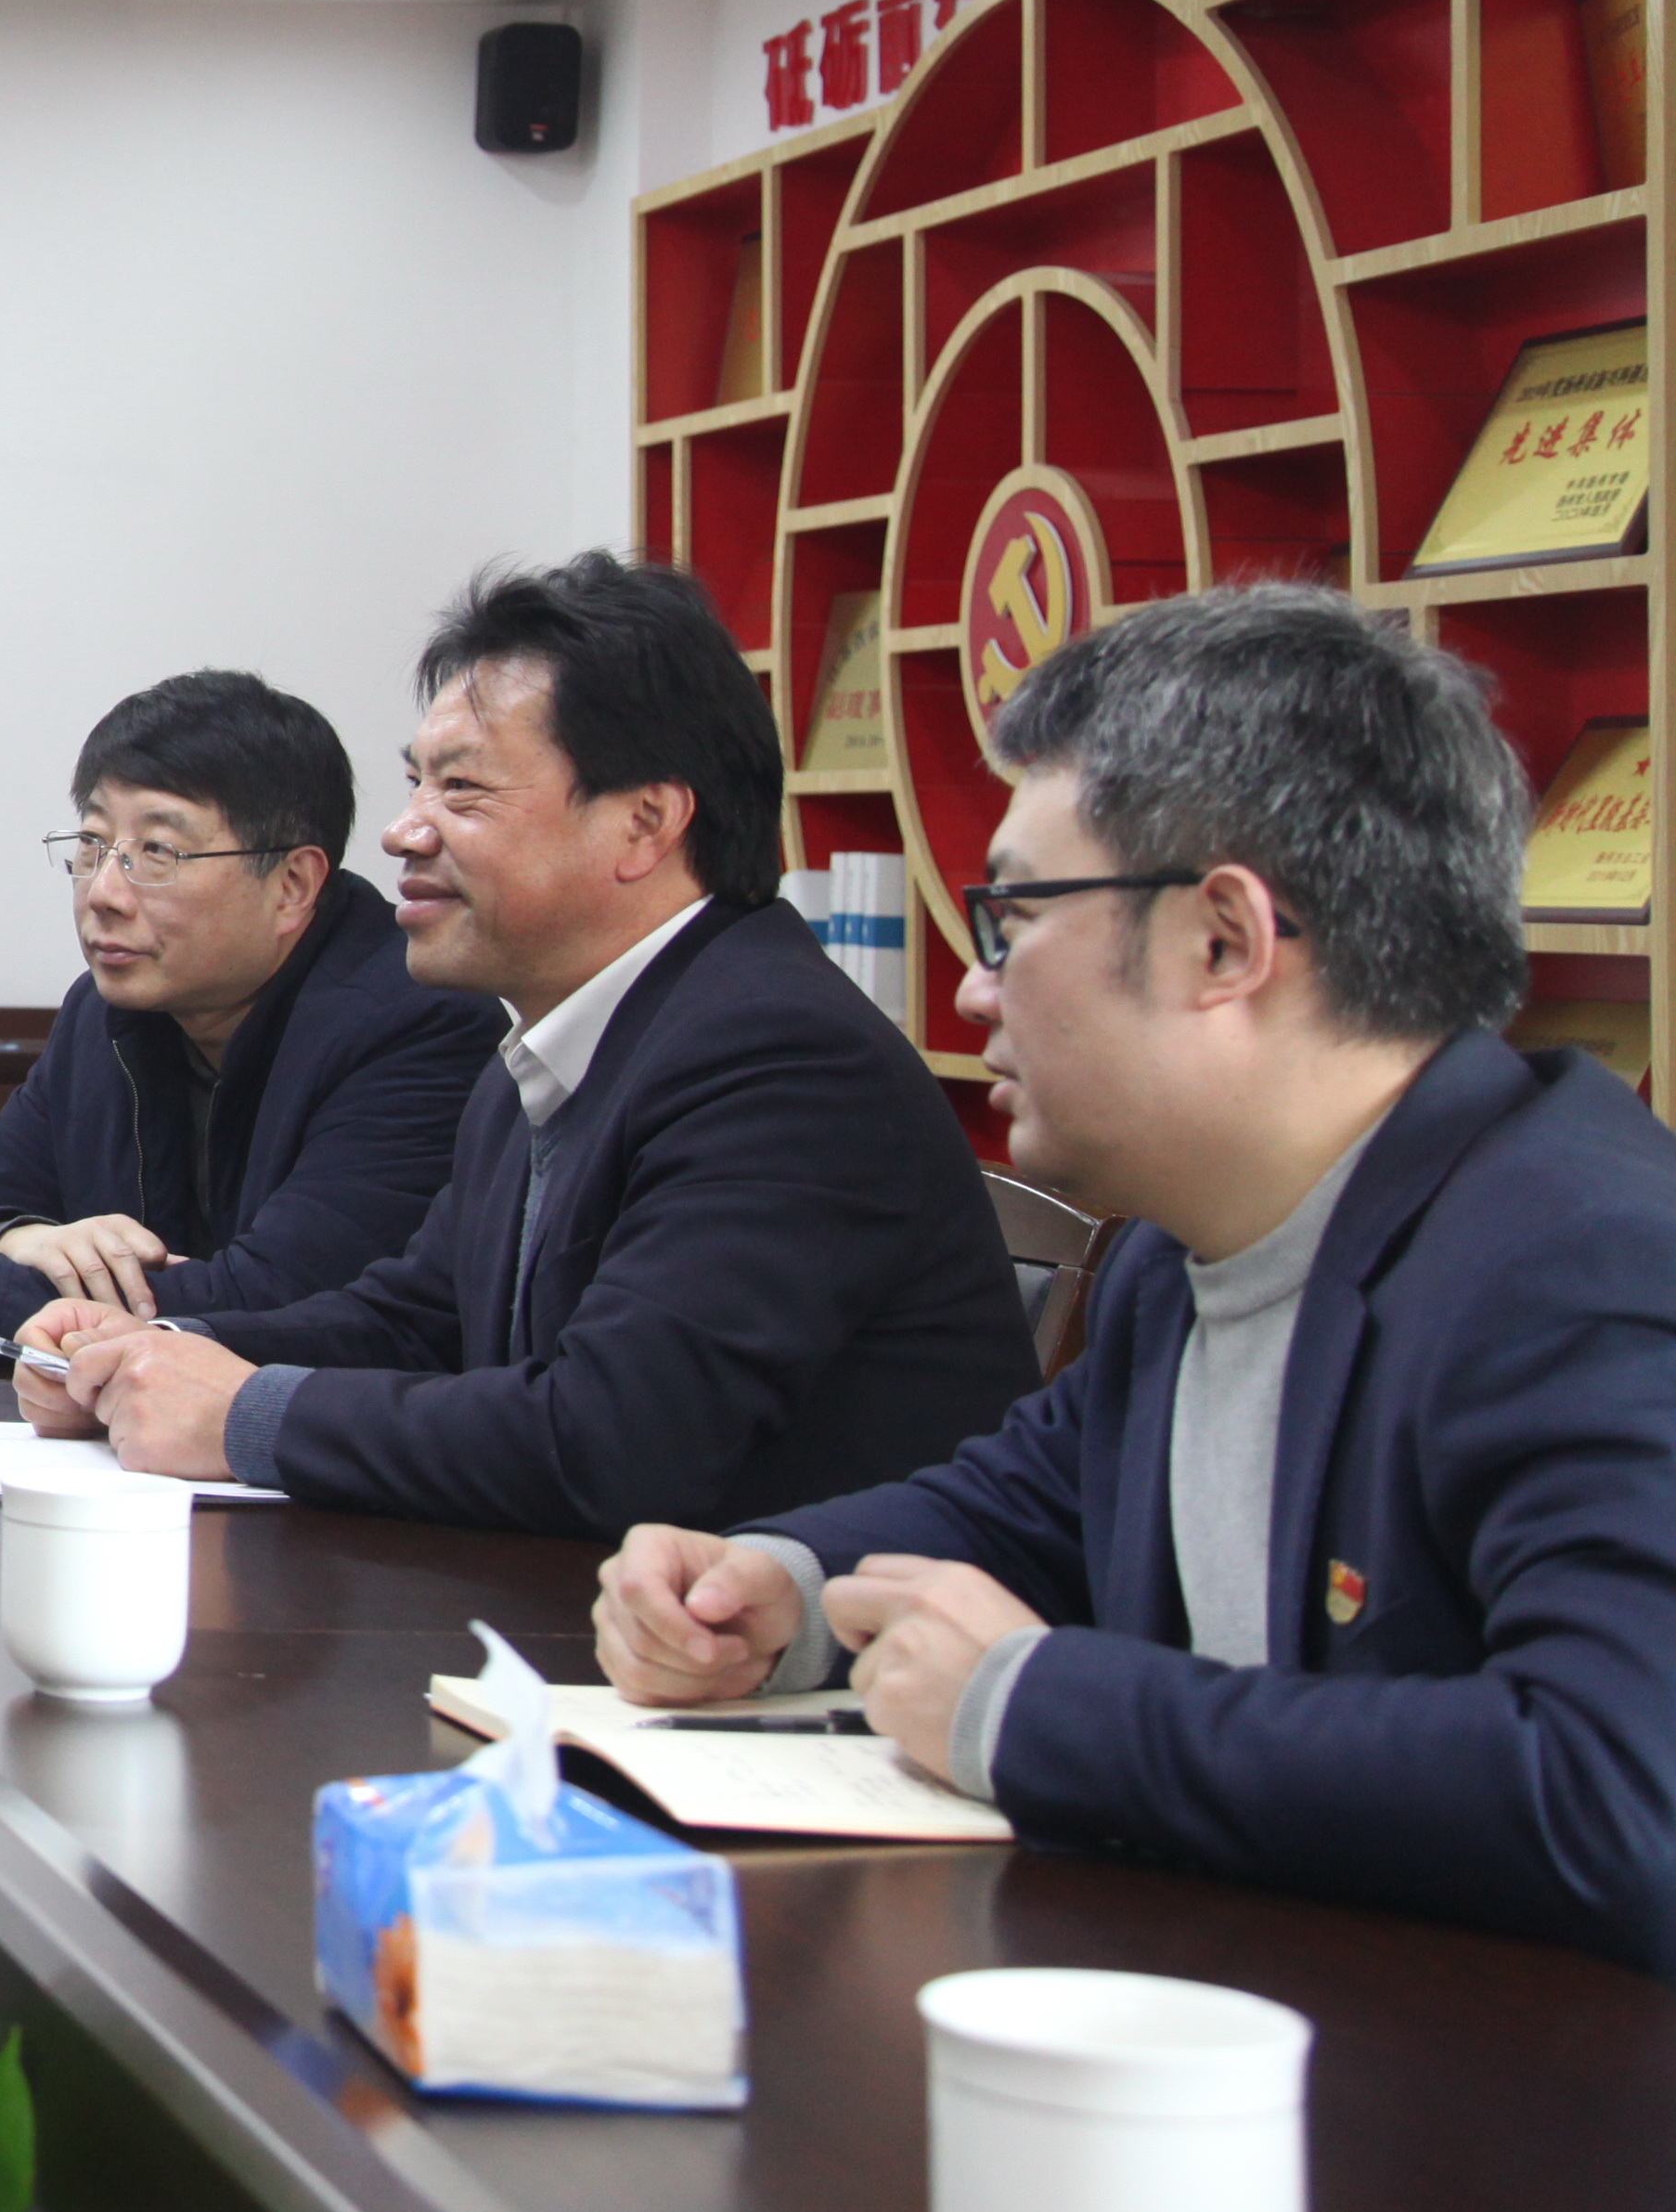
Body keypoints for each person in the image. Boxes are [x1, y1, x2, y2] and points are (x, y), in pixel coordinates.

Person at [594, 586, 1676, 1971]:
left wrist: (1030, 1708)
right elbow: (1034, 1500)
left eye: (1013, 916)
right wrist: (776, 1585)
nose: (975, 988)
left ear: (1223, 940)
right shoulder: (1188, 1240)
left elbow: (1618, 1792)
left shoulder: (1578, 1259)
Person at [30, 553, 1028, 1535]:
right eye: (416, 783)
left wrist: (243, 1415)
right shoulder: (563, 1036)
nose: (403, 833)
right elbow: (419, 1321)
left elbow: (614, 1437)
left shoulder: (778, 1057)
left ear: (644, 824)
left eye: (461, 790)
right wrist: (150, 1352)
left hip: (796, 1631)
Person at [0, 671, 490, 1347]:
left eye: (158, 853)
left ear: (291, 885)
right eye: (92, 846)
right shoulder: (104, 1016)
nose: (104, 893)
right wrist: (17, 1236)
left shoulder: (416, 1022)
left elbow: (273, 1303)